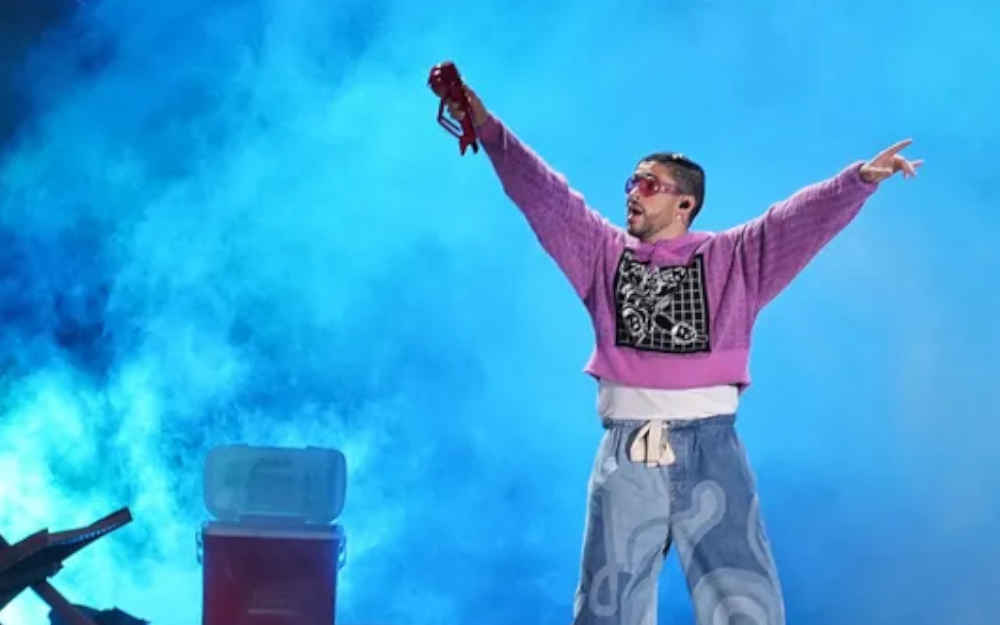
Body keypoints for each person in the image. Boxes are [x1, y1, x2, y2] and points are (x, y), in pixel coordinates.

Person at [441, 74, 922, 625]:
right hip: (627, 451)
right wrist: (486, 126)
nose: (632, 193)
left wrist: (858, 181)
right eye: (631, 182)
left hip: (711, 448)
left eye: (649, 185)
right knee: (607, 607)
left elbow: (794, 222)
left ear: (685, 203)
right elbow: (546, 197)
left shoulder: (734, 259)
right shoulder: (601, 254)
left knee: (746, 605)